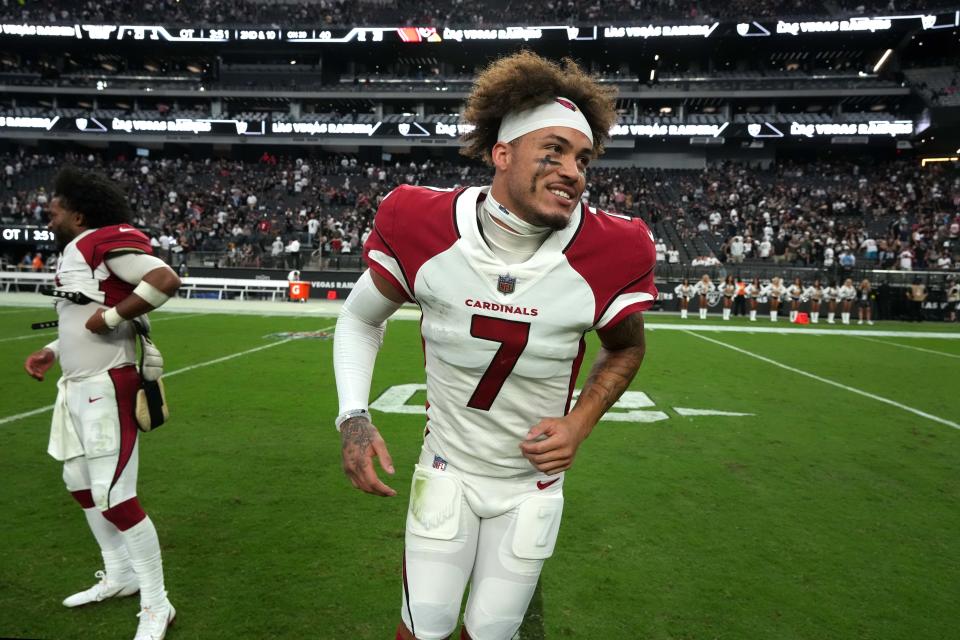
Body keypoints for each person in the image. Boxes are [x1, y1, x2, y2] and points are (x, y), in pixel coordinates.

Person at [332, 51, 656, 640]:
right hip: (447, 465)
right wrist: (353, 416)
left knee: (492, 631)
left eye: (582, 158)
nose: (572, 171)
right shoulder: (419, 220)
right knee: (423, 626)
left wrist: (580, 423)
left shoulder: (617, 248)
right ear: (501, 154)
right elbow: (359, 320)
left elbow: (626, 348)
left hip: (530, 482)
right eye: (552, 150)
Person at [22, 167, 180, 640]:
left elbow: (163, 279)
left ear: (79, 212)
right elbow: (78, 317)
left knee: (116, 496)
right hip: (75, 385)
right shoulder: (77, 252)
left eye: (55, 207)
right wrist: (51, 351)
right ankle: (120, 574)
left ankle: (157, 603)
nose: (48, 213)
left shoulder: (99, 241)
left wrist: (111, 316)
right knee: (77, 479)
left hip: (106, 385)